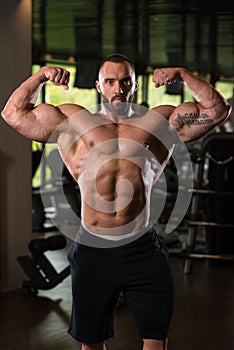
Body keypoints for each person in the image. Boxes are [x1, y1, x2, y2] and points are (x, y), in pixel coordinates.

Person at [1, 54, 231, 350]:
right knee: (92, 342)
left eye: (125, 81)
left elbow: (218, 111)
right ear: (98, 85)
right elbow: (13, 113)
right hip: (93, 249)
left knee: (155, 339)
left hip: (142, 249)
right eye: (110, 81)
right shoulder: (72, 122)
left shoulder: (159, 121)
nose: (118, 88)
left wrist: (184, 74)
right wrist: (41, 76)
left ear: (135, 85)